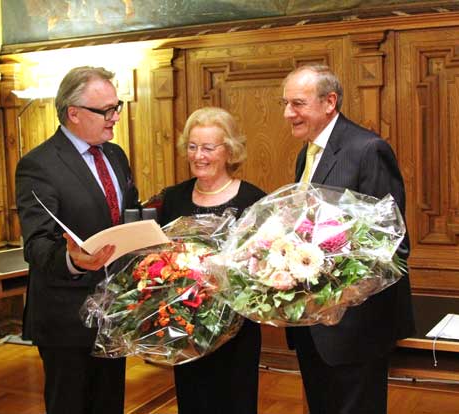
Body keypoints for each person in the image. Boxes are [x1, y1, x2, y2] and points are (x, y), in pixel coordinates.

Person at [282, 65, 415, 414]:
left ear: (329, 101)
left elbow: (392, 244)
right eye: (285, 103)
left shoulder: (368, 149)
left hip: (356, 328)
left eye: (297, 103)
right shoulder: (306, 154)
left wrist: (340, 298)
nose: (287, 113)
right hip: (314, 323)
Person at [15, 66, 139, 414]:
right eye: (106, 111)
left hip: (114, 312)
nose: (115, 117)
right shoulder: (38, 165)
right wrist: (74, 260)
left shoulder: (115, 154)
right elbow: (37, 244)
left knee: (110, 404)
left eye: (118, 107)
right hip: (66, 319)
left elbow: (127, 214)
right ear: (74, 113)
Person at [159, 107, 265, 414]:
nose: (198, 156)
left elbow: (261, 268)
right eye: (192, 147)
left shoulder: (252, 200)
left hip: (237, 332)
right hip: (185, 327)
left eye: (208, 147)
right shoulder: (174, 198)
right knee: (192, 403)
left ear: (229, 150)